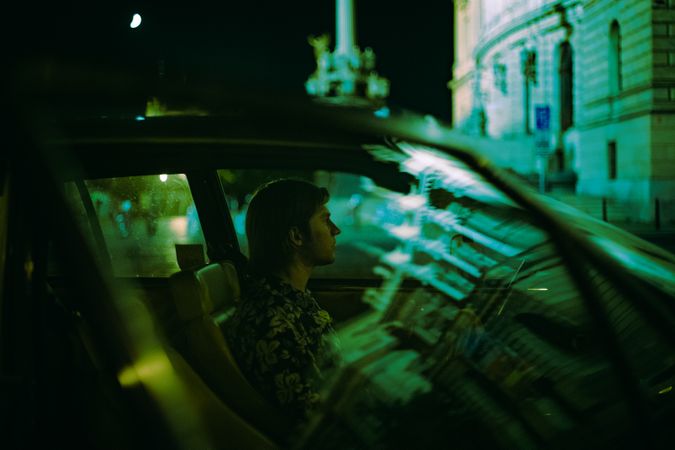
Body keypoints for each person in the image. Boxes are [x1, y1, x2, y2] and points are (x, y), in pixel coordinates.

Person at [227, 178, 343, 428]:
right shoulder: (270, 321)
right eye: (325, 220)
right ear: (296, 236)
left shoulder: (290, 298)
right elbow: (313, 419)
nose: (336, 229)